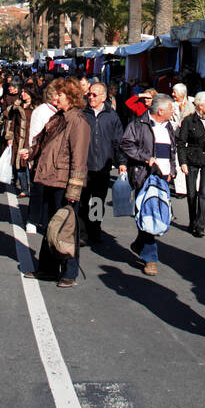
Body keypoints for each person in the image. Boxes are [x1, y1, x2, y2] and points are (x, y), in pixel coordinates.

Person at [28, 77, 91, 286]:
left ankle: (69, 272)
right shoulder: (59, 117)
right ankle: (47, 268)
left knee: (66, 229)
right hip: (50, 178)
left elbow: (79, 157)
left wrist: (74, 190)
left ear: (70, 97)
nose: (56, 98)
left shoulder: (77, 120)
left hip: (63, 182)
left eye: (60, 94)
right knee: (49, 227)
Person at [119, 92, 177, 277]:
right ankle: (150, 258)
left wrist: (172, 170)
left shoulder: (169, 127)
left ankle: (140, 243)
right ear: (160, 110)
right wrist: (146, 159)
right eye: (170, 109)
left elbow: (172, 151)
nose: (173, 112)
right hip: (144, 176)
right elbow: (126, 144)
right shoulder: (138, 124)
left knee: (157, 214)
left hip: (163, 177)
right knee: (149, 213)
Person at [81, 81, 126, 245]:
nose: (90, 97)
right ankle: (83, 232)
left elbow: (118, 141)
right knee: (83, 200)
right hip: (84, 165)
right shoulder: (83, 113)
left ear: (103, 97)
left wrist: (122, 161)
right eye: (89, 94)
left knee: (98, 200)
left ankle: (95, 228)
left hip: (102, 166)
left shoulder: (111, 115)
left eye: (94, 94)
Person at [177, 90, 205, 237]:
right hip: (192, 158)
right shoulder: (189, 121)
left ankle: (200, 225)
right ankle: (192, 220)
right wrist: (182, 162)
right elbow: (181, 143)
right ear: (200, 105)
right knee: (191, 193)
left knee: (204, 192)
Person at [24, 86, 60, 232]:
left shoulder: (62, 112)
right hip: (41, 155)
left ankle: (45, 220)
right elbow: (34, 134)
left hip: (56, 157)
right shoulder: (41, 111)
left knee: (50, 190)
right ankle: (32, 219)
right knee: (38, 189)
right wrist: (32, 155)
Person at [7, 86, 35, 198]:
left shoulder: (36, 108)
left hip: (31, 139)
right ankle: (24, 189)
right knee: (19, 164)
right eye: (22, 91)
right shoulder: (17, 107)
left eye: (25, 92)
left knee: (31, 166)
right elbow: (13, 122)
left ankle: (32, 188)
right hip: (19, 139)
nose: (22, 94)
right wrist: (10, 137)